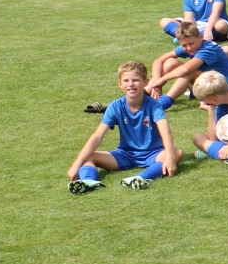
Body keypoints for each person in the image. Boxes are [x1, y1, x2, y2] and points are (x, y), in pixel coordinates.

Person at [69, 61, 180, 192]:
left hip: (153, 153)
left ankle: (141, 178)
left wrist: (170, 158)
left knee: (176, 153)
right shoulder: (115, 106)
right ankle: (88, 181)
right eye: (126, 80)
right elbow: (97, 136)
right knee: (87, 156)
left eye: (135, 80)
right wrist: (76, 164)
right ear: (120, 84)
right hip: (125, 154)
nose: (131, 84)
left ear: (146, 82)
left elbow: (165, 132)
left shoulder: (154, 105)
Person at [148, 21, 228, 107]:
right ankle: (146, 93)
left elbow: (185, 69)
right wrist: (157, 82)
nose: (188, 48)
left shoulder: (209, 48)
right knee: (170, 63)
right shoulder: (190, 45)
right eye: (184, 45)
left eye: (191, 43)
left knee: (189, 72)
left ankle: (162, 104)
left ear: (200, 37)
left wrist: (162, 79)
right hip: (206, 83)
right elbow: (158, 61)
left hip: (224, 87)